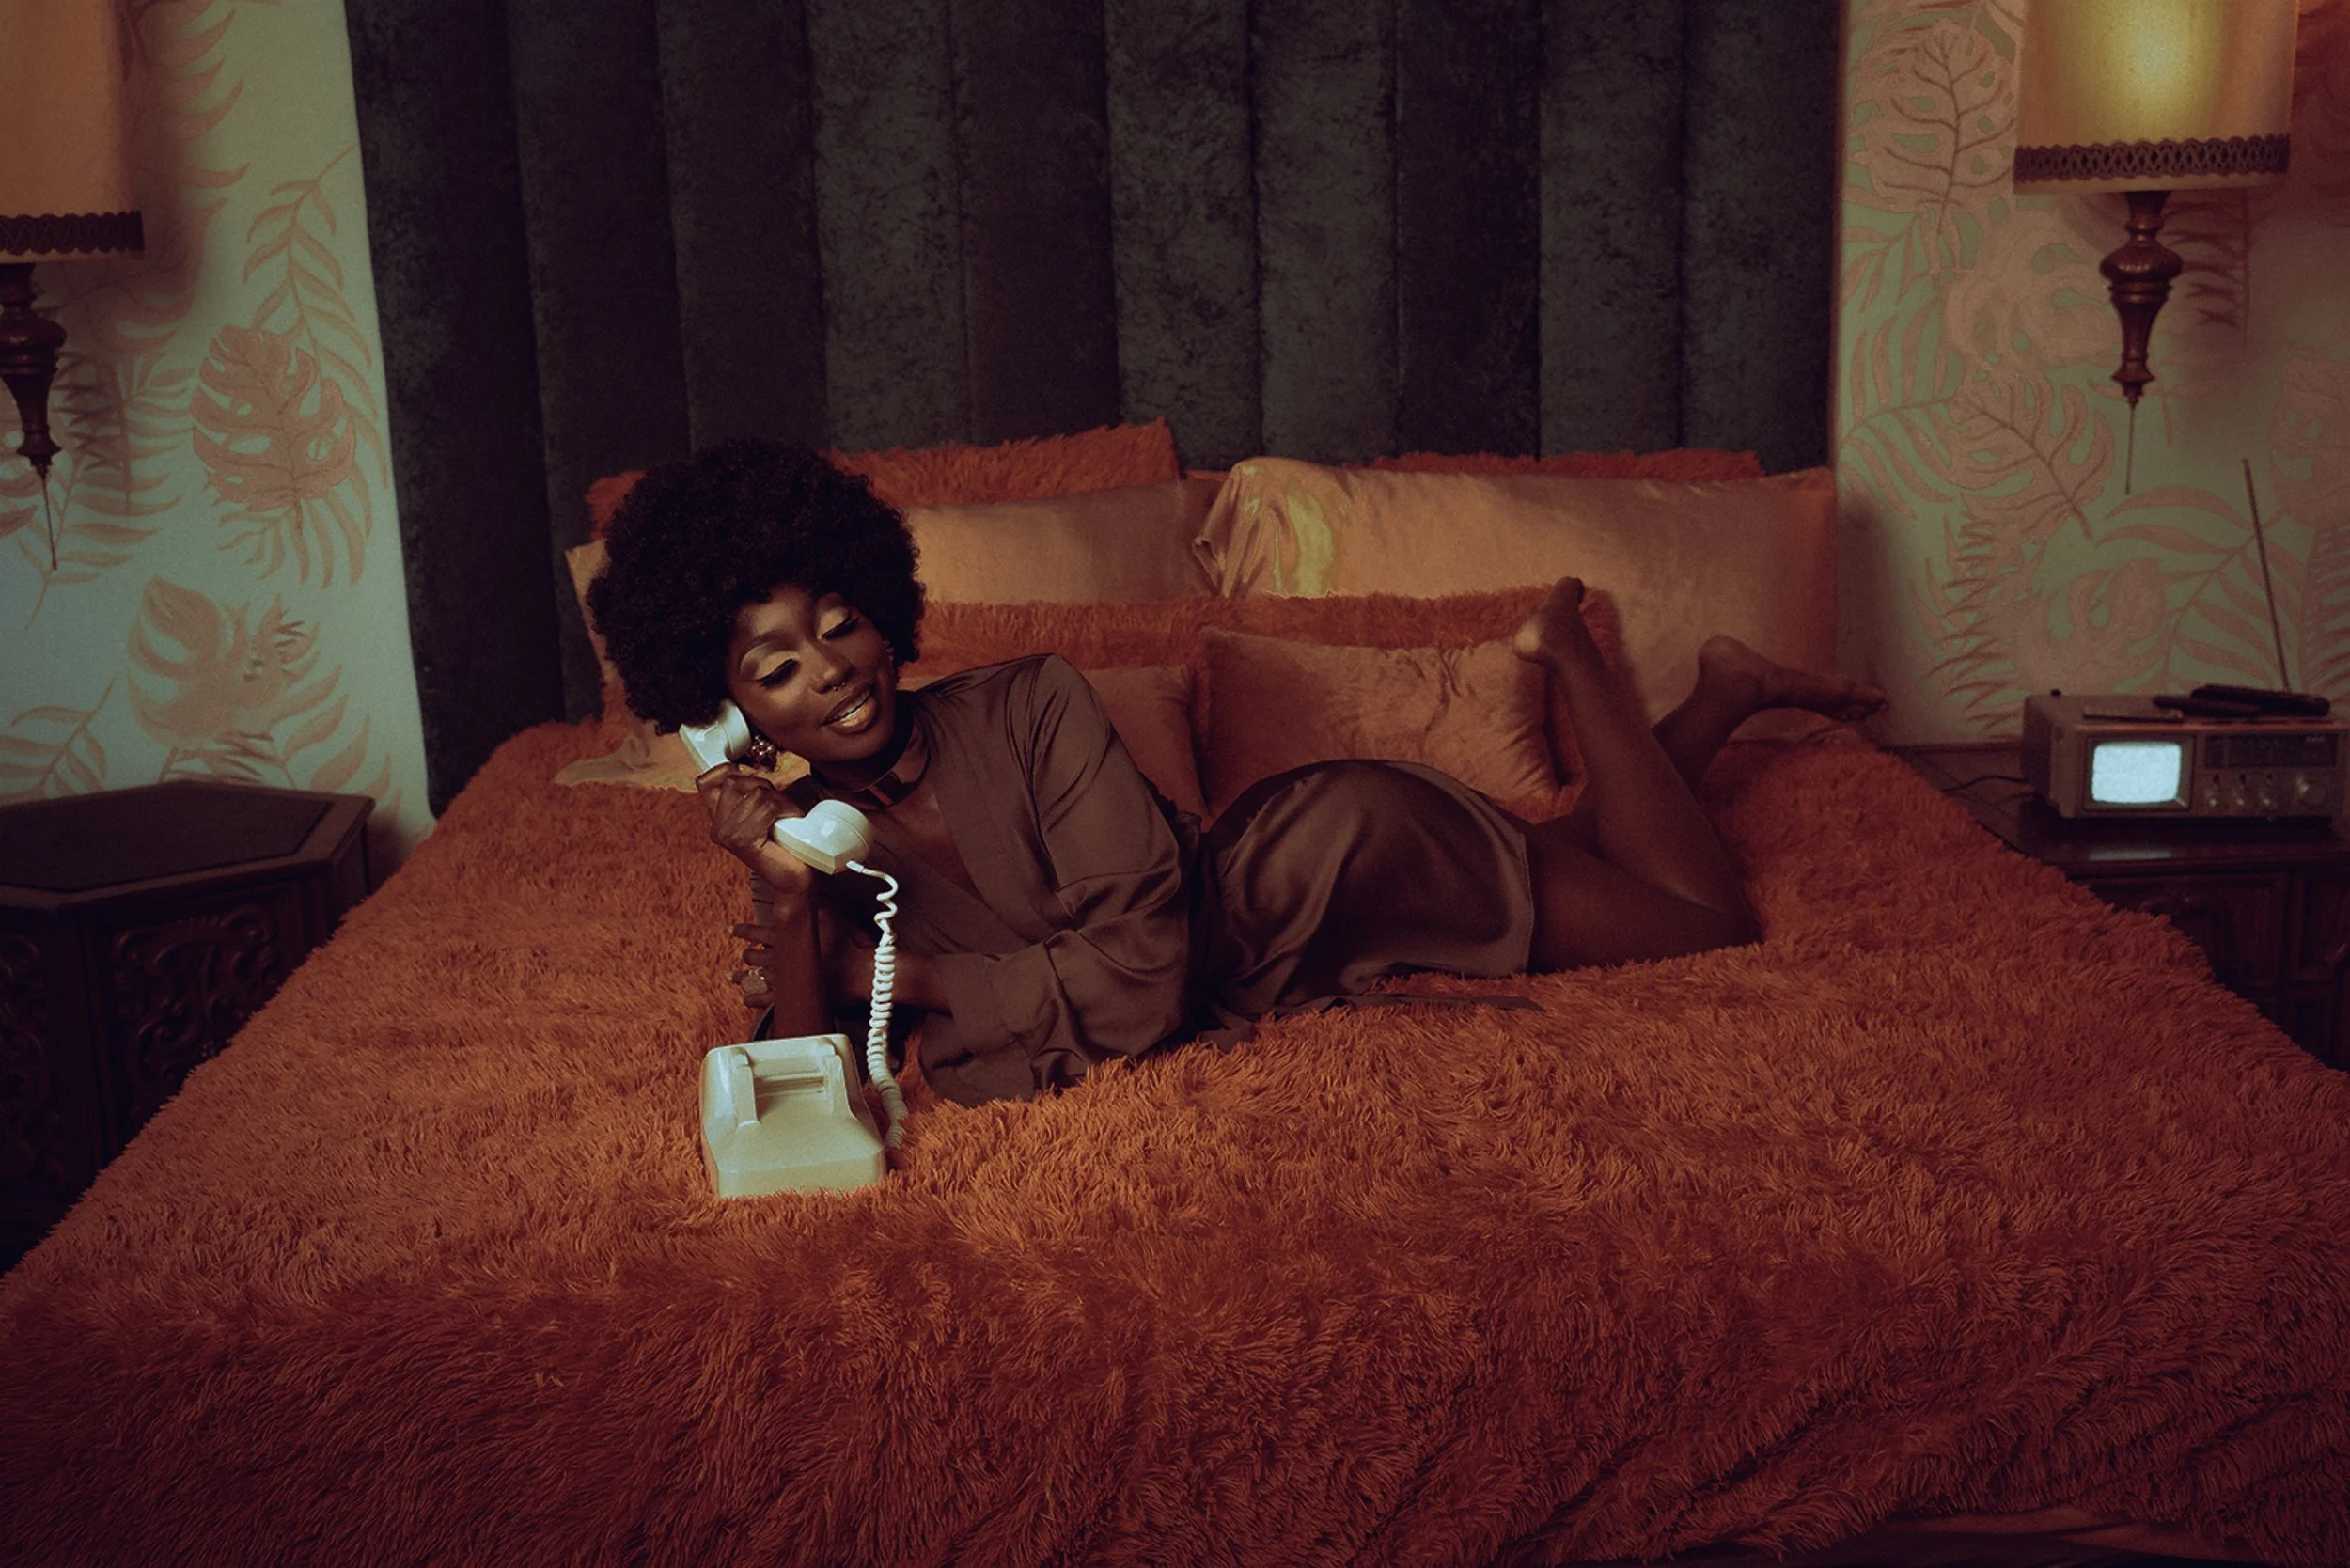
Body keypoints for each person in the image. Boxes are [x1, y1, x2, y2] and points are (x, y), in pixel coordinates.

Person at [588, 440, 1886, 1107]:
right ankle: (1719, 697)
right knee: (1596, 849)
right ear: (726, 708)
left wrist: (926, 982)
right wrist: (776, 889)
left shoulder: (1035, 702)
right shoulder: (817, 843)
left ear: (878, 604)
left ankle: (1569, 651)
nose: (831, 669)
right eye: (775, 670)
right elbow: (818, 1073)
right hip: (1278, 941)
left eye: (838, 622)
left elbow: (1147, 972)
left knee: (1704, 926)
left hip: (1332, 861)